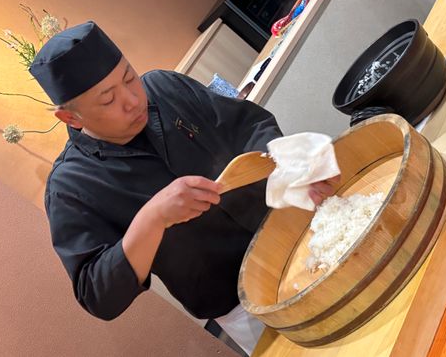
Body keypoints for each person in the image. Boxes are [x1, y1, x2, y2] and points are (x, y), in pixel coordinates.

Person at [30, 21, 337, 355]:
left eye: (129, 77)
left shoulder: (163, 86)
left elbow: (246, 125)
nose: (133, 100)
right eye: (108, 100)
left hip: (300, 236)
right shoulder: (70, 186)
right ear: (71, 118)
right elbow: (98, 294)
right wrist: (152, 219)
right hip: (243, 305)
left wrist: (291, 164)